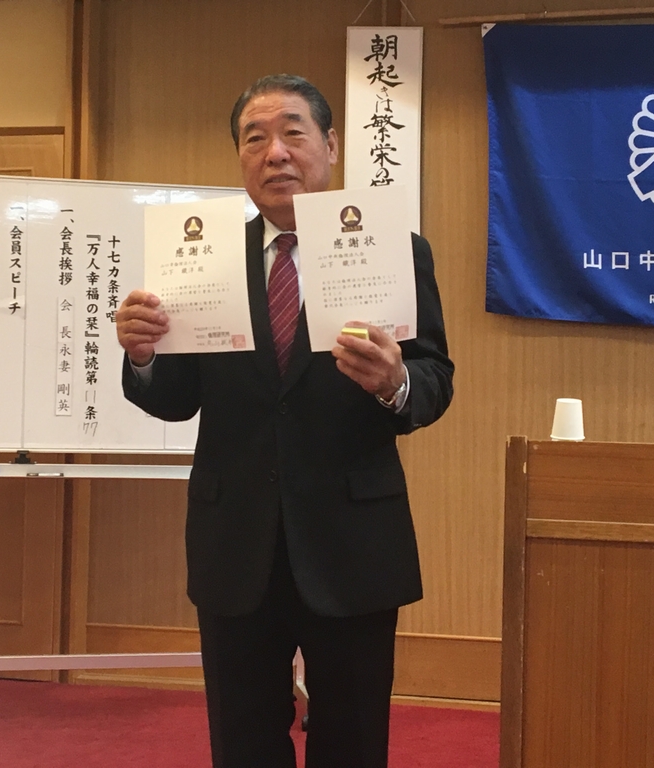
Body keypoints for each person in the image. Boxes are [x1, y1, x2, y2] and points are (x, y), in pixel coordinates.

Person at [116, 74, 454, 768]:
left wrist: (395, 384)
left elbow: (435, 379)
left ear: (330, 145)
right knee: (242, 741)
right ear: (240, 157)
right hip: (236, 541)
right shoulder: (200, 261)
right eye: (255, 138)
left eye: (293, 133)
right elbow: (176, 397)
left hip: (351, 540)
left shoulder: (393, 249)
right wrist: (144, 356)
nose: (275, 153)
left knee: (353, 740)